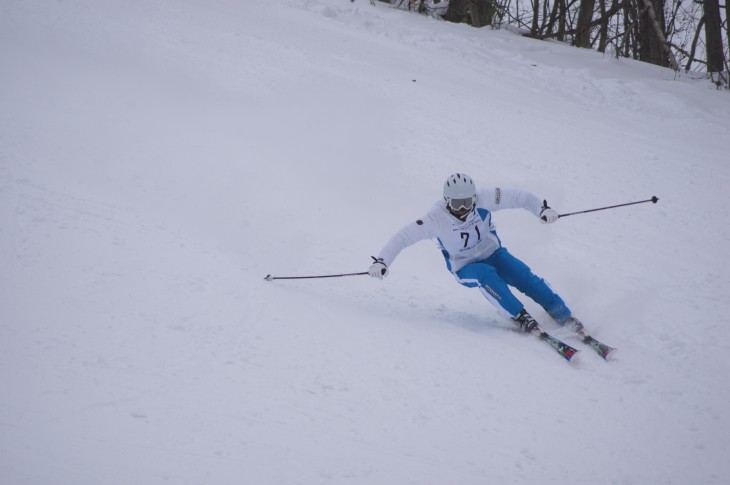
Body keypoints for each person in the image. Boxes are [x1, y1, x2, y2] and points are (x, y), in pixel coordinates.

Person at [368, 172, 585, 334]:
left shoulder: (484, 197)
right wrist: (382, 261)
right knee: (486, 275)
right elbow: (403, 236)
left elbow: (519, 197)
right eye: (456, 203)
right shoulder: (435, 218)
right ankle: (519, 315)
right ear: (446, 201)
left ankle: (561, 312)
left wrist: (541, 209)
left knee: (522, 275)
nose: (463, 209)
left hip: (493, 253)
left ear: (474, 197)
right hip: (465, 266)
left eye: (467, 202)